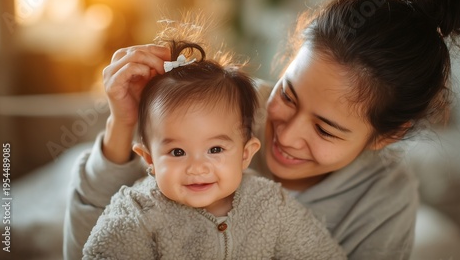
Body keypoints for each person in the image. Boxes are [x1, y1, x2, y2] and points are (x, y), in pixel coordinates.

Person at [64, 0, 460, 259]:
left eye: (325, 129)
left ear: (386, 136)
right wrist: (122, 123)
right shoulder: (219, 111)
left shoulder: (383, 204)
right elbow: (87, 247)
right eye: (287, 93)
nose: (284, 132)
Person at [81, 40, 346, 259]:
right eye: (177, 152)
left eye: (216, 149)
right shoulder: (137, 212)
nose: (197, 167)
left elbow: (320, 253)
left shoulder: (270, 204)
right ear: (149, 159)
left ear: (245, 154)